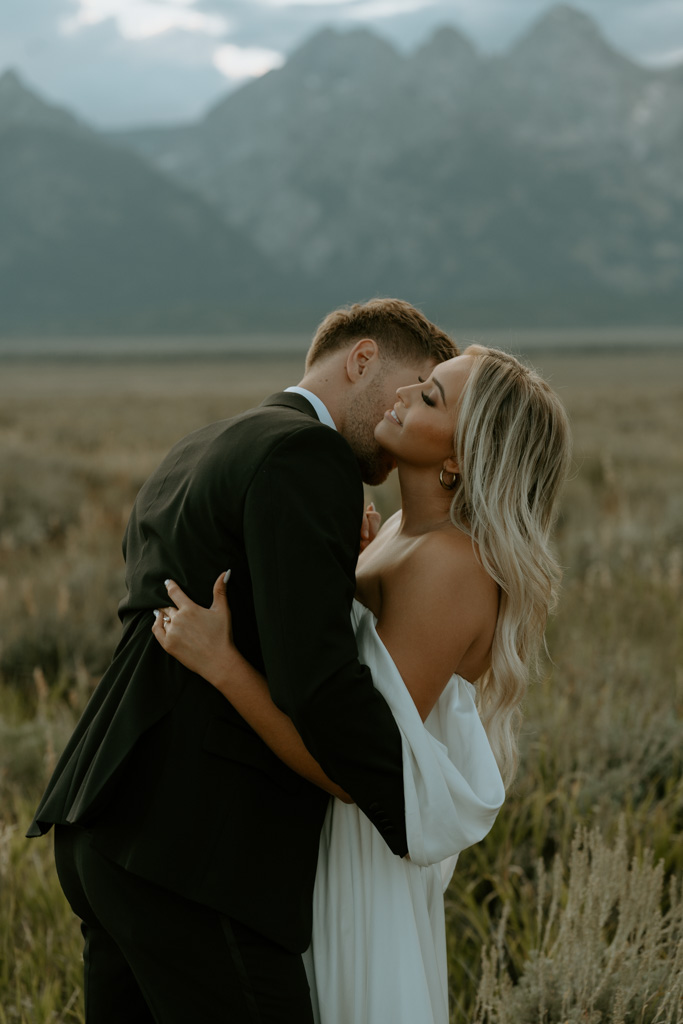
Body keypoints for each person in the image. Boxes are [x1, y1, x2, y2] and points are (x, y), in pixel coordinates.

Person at [26, 298, 457, 1023]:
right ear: (360, 359)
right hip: (198, 849)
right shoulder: (308, 454)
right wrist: (416, 800)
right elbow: (313, 680)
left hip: (103, 824)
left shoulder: (203, 444)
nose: (405, 411)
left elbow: (249, 609)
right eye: (410, 385)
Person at [152, 345, 573, 1024]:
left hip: (359, 859)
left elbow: (348, 768)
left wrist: (221, 664)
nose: (401, 396)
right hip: (314, 837)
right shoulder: (403, 531)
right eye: (418, 383)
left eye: (430, 397)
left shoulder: (453, 566)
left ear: (460, 460)